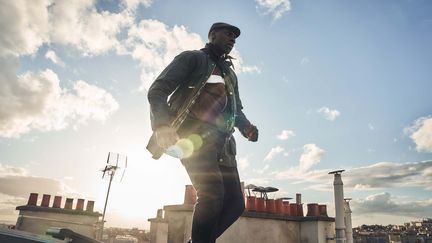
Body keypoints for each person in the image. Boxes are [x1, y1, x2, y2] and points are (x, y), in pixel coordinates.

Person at [147, 22, 258, 243]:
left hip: (223, 144)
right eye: (228, 34)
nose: (232, 39)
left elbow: (236, 110)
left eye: (235, 38)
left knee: (235, 204)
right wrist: (162, 125)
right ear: (212, 35)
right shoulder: (192, 59)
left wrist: (246, 127)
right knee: (212, 194)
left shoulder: (230, 74)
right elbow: (157, 90)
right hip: (192, 138)